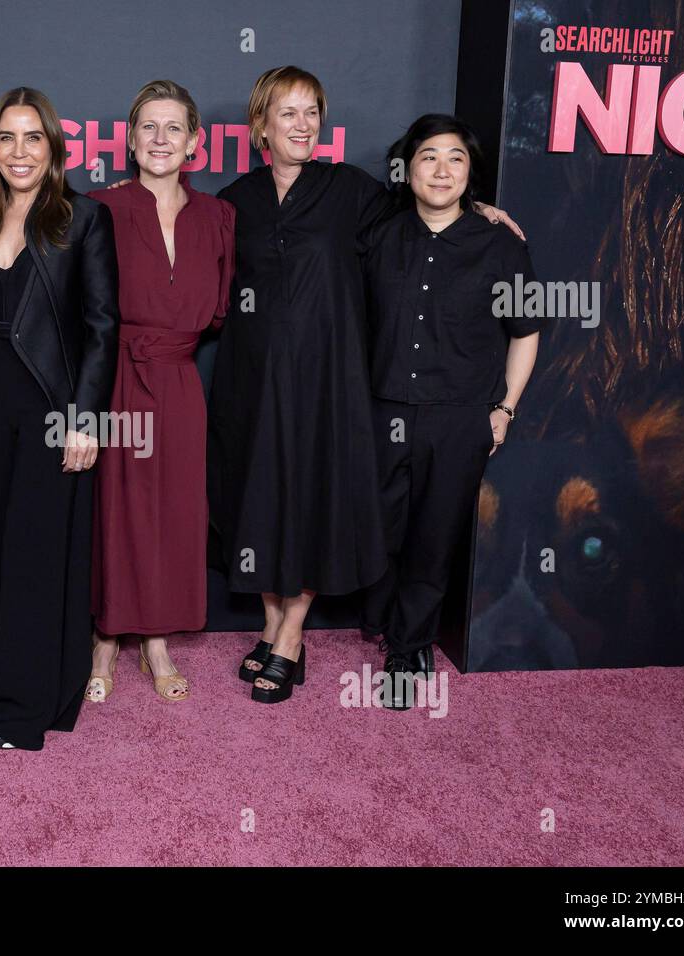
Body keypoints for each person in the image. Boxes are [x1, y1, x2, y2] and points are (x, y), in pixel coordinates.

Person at [211, 67, 522, 704]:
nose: (302, 125)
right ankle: (273, 626)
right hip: (252, 383)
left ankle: (291, 639)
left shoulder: (354, 192)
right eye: (287, 113)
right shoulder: (233, 201)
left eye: (312, 113)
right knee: (263, 500)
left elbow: (429, 211)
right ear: (260, 126)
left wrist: (481, 209)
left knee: (316, 503)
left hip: (330, 384)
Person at [0, 87, 119, 751]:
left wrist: (84, 421)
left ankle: (25, 709)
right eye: (7, 138)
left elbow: (102, 328)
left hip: (53, 411)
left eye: (32, 137)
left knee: (38, 559)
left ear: (54, 148)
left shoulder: (83, 220)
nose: (20, 151)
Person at [360, 114, 540, 707]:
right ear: (407, 168)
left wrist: (505, 409)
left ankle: (408, 647)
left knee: (435, 534)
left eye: (456, 158)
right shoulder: (379, 236)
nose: (441, 169)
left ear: (471, 173)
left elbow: (526, 330)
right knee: (379, 527)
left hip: (461, 415)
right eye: (429, 156)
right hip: (382, 407)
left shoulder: (501, 244)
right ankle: (384, 615)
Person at [85, 80, 235, 704]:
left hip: (178, 380)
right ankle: (104, 637)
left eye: (174, 128)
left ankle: (155, 641)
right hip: (115, 377)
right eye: (148, 126)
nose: (161, 139)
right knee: (116, 510)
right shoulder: (97, 207)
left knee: (174, 511)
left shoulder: (220, 217)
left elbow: (221, 310)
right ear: (130, 137)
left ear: (196, 142)